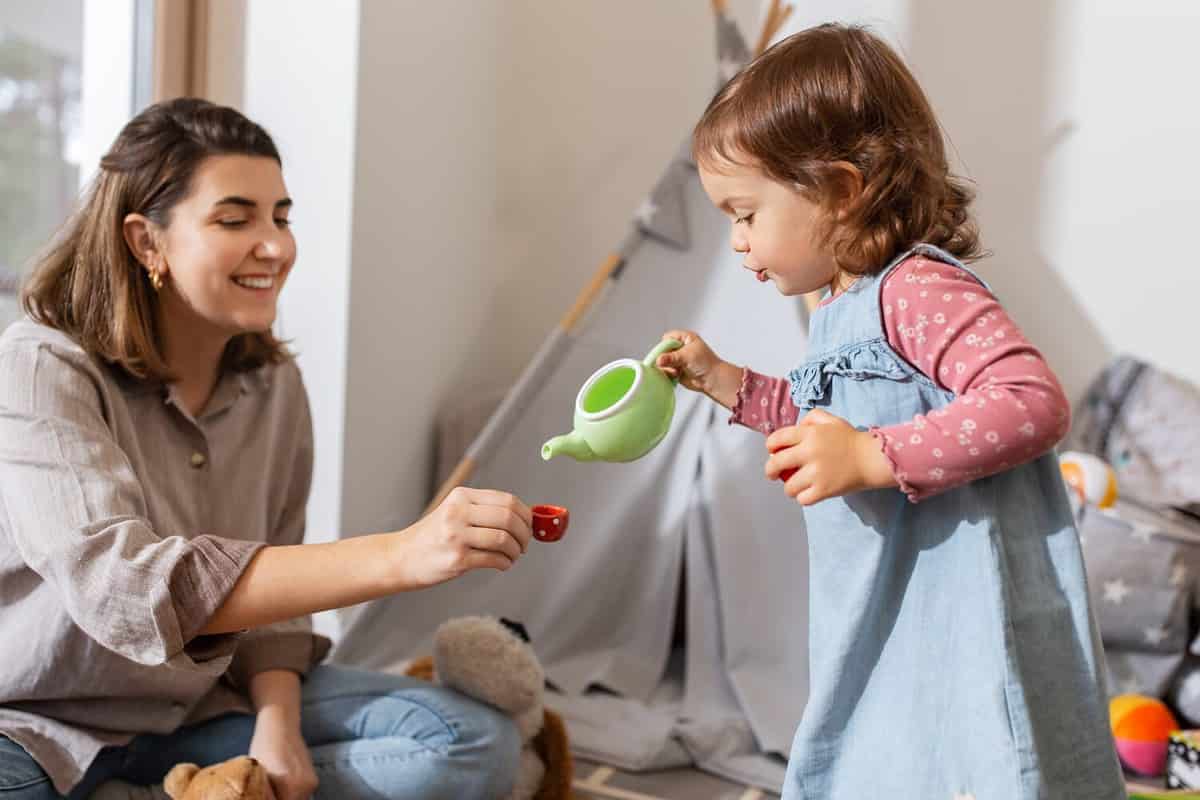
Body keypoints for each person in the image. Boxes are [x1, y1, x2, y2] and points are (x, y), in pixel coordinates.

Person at [0, 98, 529, 800]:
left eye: (280, 216)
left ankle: (213, 786)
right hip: (36, 727)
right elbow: (121, 587)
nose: (275, 244)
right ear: (145, 241)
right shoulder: (41, 366)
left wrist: (276, 728)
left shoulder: (274, 385)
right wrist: (401, 553)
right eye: (234, 218)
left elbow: (273, 606)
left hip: (196, 709)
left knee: (474, 743)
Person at [656, 24, 1125, 799]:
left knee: (972, 758)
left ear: (841, 190)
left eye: (745, 213)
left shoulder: (917, 290)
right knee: (884, 746)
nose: (738, 243)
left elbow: (1031, 403)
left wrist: (875, 457)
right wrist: (728, 383)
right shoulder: (841, 303)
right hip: (890, 597)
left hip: (958, 596)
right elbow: (826, 420)